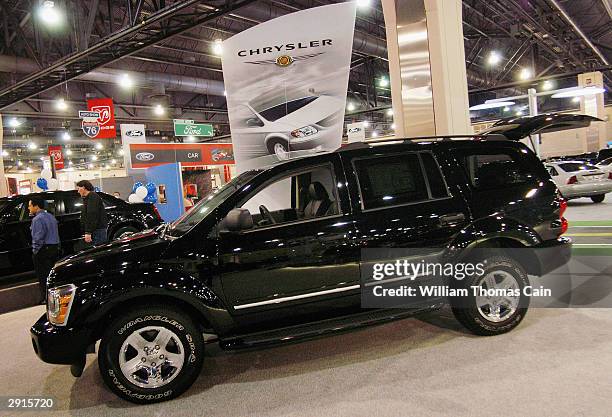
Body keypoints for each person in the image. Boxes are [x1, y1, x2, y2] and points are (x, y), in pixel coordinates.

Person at [29, 197, 60, 303]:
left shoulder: (37, 219)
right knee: (52, 275)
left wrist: (35, 251)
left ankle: (46, 298)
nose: (29, 208)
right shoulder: (51, 216)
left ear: (36, 206)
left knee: (43, 276)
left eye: (30, 205)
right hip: (54, 248)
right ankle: (56, 297)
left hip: (43, 250)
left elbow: (38, 238)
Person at [76, 180, 109, 246]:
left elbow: (92, 214)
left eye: (78, 188)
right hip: (96, 230)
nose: (78, 191)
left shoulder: (92, 196)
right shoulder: (88, 198)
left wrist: (88, 232)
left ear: (83, 187)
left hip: (98, 230)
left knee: (99, 250)